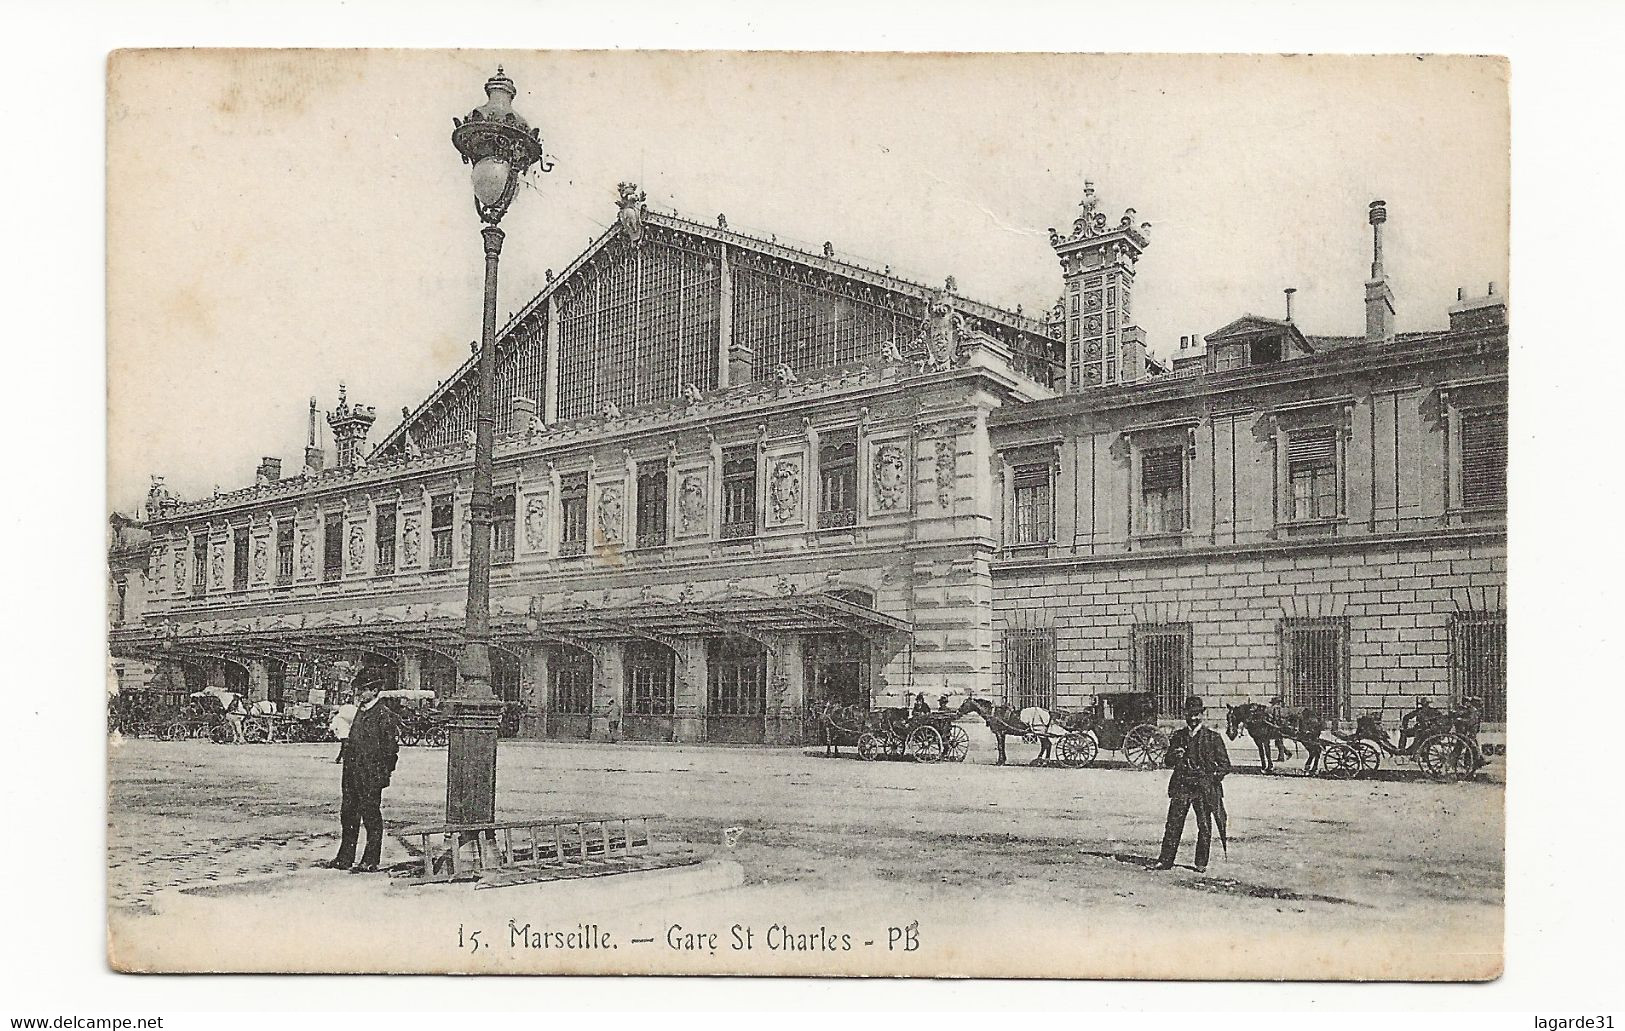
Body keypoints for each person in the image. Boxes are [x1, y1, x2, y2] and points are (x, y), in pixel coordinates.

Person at [327, 678, 399, 874]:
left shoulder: (384, 714)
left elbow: (390, 750)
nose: (359, 693)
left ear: (375, 690)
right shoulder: (362, 710)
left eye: (363, 689)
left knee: (370, 816)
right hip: (352, 774)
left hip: (370, 775)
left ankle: (370, 860)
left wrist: (382, 776)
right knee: (348, 815)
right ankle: (345, 857)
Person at [1154, 696, 1231, 874]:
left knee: (1204, 826)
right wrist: (1175, 756)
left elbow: (1225, 766)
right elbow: (1167, 761)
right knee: (1173, 824)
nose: (1193, 718)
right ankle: (1165, 860)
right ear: (1185, 714)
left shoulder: (1213, 738)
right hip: (1182, 786)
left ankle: (1201, 862)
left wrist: (1210, 779)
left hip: (1203, 788)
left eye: (1197, 714)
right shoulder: (1178, 736)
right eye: (1190, 714)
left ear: (1202, 715)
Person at [329, 699, 358, 764]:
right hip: (348, 732)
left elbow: (333, 727)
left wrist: (330, 724)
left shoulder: (336, 718)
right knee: (345, 747)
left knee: (344, 747)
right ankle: (340, 759)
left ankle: (340, 759)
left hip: (343, 734)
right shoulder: (345, 717)